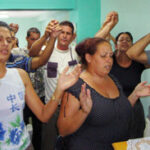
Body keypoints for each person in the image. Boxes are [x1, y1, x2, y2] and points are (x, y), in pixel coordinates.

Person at [0, 20, 82, 149]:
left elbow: (43, 115)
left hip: (24, 145)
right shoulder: (47, 50)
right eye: (0, 39)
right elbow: (35, 55)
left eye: (9, 40)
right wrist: (48, 37)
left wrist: (60, 88)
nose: (5, 44)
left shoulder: (20, 75)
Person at [57, 37, 150, 150]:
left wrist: (135, 95)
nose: (109, 60)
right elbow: (63, 130)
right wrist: (84, 112)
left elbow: (118, 111)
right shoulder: (77, 86)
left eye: (111, 55)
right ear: (89, 57)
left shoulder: (112, 79)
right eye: (103, 56)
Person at [95, 11, 150, 139]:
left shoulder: (138, 62)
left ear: (132, 44)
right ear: (115, 45)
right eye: (121, 40)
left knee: (135, 141)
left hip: (134, 110)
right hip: (112, 108)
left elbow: (137, 54)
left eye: (128, 40)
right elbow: (94, 44)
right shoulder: (109, 60)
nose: (124, 42)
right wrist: (106, 27)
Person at [30, 20, 79, 150]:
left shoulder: (75, 52)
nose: (64, 36)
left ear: (73, 36)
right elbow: (32, 53)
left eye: (68, 33)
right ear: (56, 33)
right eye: (61, 32)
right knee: (49, 144)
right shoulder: (47, 50)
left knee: (70, 143)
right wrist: (46, 35)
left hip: (70, 107)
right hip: (52, 107)